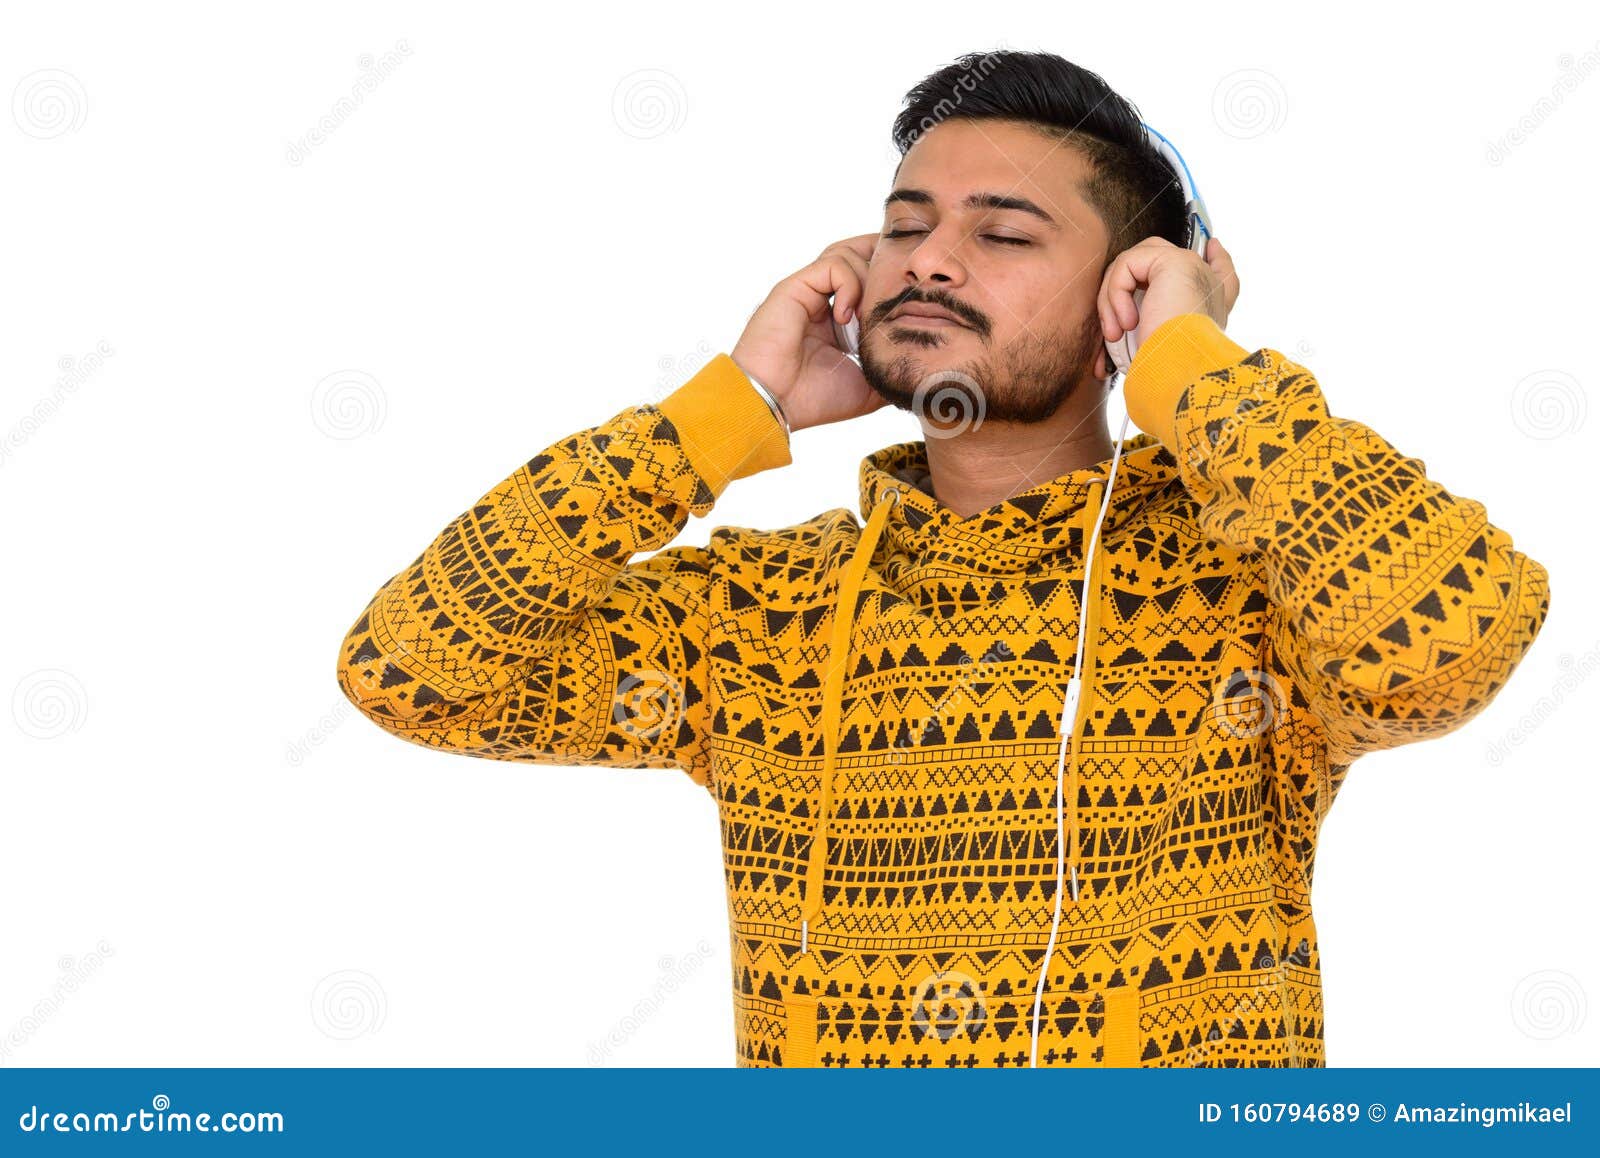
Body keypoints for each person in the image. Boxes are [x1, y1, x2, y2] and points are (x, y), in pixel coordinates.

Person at [335, 50, 1550, 1068]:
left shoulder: (1252, 577)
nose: (924, 261)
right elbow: (417, 671)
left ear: (1122, 303)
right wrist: (726, 411)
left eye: (1003, 233)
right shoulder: (761, 614)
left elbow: (1444, 644)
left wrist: (1197, 373)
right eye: (902, 227)